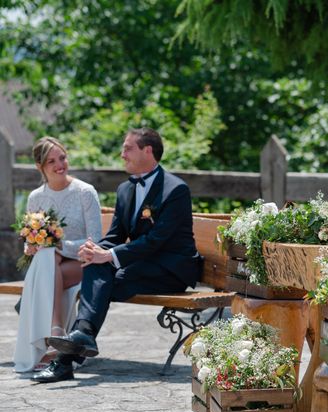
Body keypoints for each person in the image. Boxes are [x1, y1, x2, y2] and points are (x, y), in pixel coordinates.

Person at [32, 127, 202, 383]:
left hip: (171, 269)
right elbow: (115, 235)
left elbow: (155, 241)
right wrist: (94, 251)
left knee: (102, 280)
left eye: (128, 148)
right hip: (140, 266)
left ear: (148, 150)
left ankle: (69, 354)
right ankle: (80, 341)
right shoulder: (125, 189)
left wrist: (108, 256)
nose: (122, 154)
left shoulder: (175, 190)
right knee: (94, 266)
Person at [13, 137, 102, 373]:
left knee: (50, 253)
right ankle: (56, 334)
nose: (59, 164)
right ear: (40, 167)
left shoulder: (85, 192)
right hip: (54, 267)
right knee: (48, 256)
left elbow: (96, 241)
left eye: (62, 157)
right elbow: (32, 240)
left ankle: (52, 335)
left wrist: (60, 245)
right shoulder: (35, 197)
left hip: (84, 264)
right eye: (51, 161)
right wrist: (30, 247)